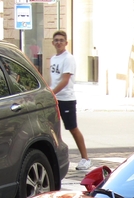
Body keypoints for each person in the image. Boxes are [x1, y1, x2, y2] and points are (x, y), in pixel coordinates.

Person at [50, 30, 91, 171]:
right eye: (56, 40)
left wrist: (52, 93)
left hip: (66, 99)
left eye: (61, 40)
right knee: (52, 129)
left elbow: (65, 80)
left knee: (72, 128)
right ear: (53, 43)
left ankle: (85, 158)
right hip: (54, 98)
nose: (59, 42)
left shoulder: (68, 58)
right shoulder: (54, 58)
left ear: (66, 43)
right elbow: (54, 79)